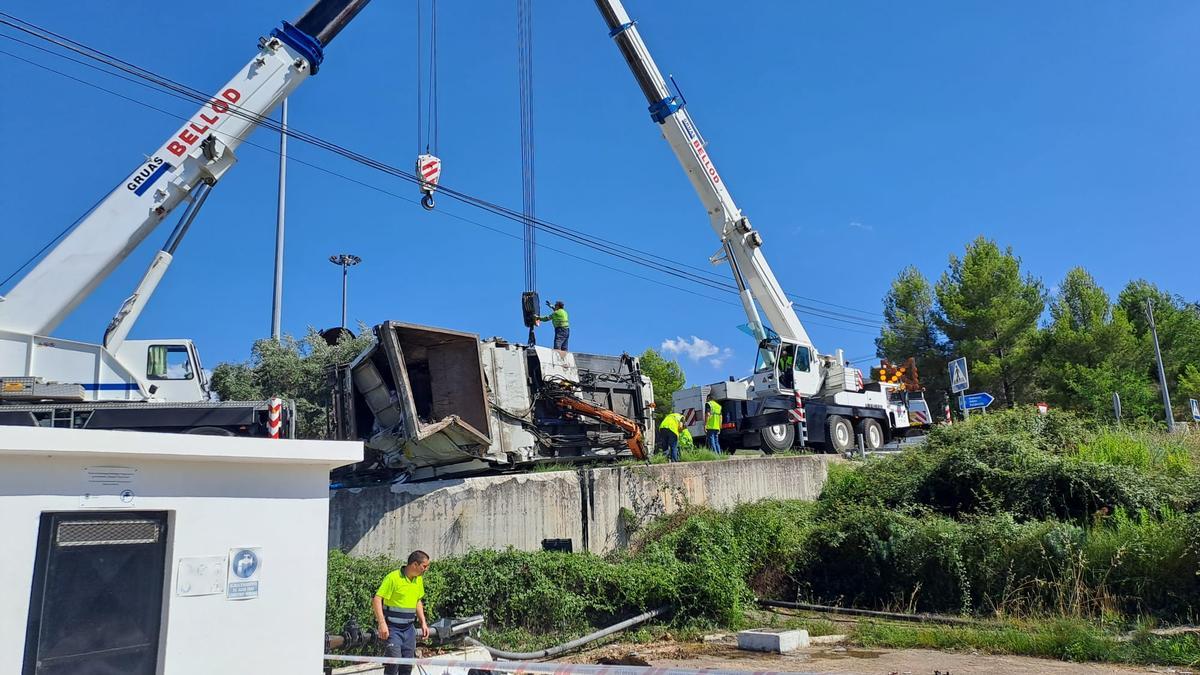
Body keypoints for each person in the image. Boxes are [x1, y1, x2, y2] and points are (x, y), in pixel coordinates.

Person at [373, 550, 431, 675]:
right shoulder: (393, 578)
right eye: (424, 566)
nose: (426, 569)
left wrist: (423, 622)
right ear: (415, 564)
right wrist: (382, 623)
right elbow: (377, 599)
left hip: (409, 629)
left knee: (407, 666)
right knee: (393, 664)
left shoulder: (418, 580)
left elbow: (417, 601)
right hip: (393, 629)